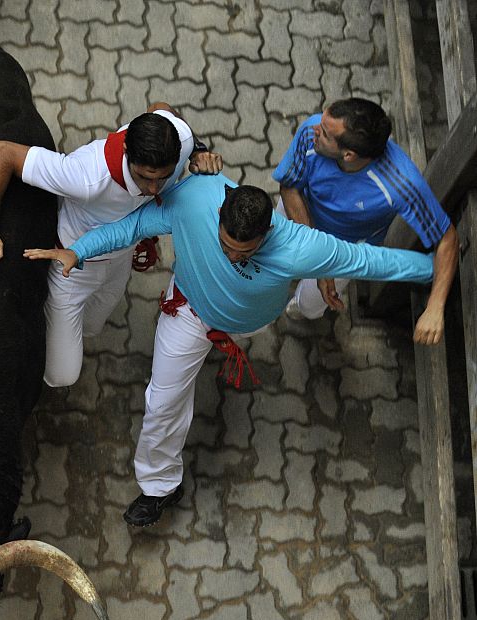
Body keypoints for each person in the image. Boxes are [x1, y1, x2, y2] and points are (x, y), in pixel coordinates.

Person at [24, 175, 446, 527]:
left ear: (268, 233)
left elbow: (371, 261)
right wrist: (79, 250)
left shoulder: (302, 246)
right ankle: (160, 487)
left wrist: (436, 273)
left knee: (313, 298)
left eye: (242, 252)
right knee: (162, 401)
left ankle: (303, 302)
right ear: (220, 211)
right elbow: (133, 227)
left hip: (248, 322)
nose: (230, 255)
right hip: (187, 311)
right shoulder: (193, 199)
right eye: (224, 244)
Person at [0, 104, 222, 386]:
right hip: (72, 271)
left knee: (94, 326)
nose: (155, 190)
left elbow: (162, 109)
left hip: (120, 259)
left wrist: (199, 151)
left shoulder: (180, 142)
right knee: (63, 374)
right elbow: (0, 152)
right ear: (127, 154)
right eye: (145, 178)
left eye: (163, 178)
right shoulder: (85, 176)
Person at [274, 97, 458, 345]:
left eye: (325, 133)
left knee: (308, 306)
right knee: (270, 253)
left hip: (345, 248)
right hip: (300, 213)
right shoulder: (312, 131)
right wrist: (317, 259)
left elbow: (447, 238)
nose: (315, 129)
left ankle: (300, 301)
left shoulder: (401, 184)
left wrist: (435, 308)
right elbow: (290, 187)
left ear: (349, 155)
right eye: (323, 120)